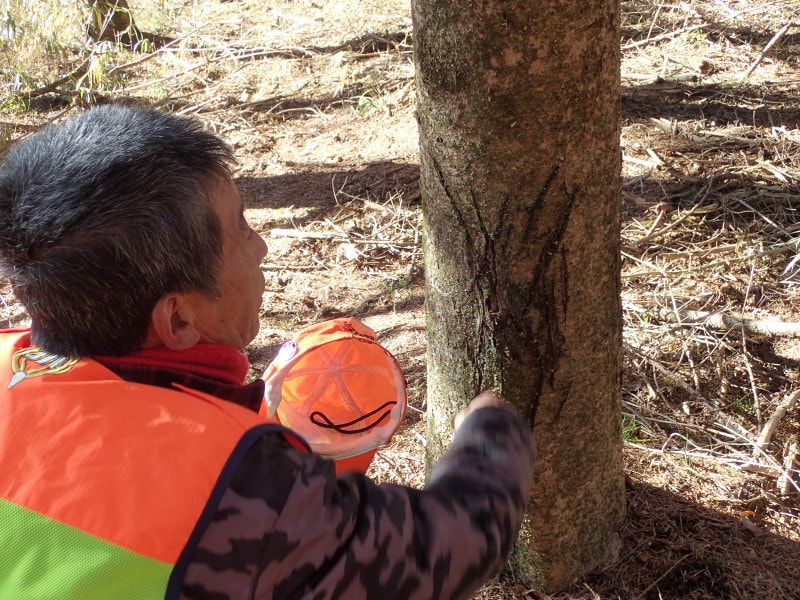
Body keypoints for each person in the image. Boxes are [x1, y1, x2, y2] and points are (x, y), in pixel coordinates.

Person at [0, 104, 535, 600]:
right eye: (241, 231)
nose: (261, 247)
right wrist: (492, 438)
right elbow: (441, 549)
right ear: (179, 319)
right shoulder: (240, 484)